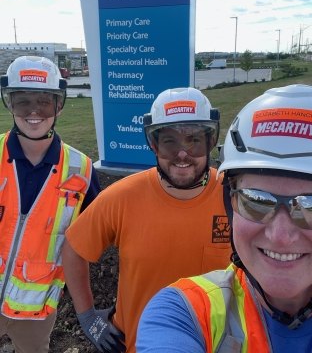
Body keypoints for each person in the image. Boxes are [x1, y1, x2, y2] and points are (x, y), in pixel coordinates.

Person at [136, 83, 312, 352]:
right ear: (230, 204)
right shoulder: (183, 313)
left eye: (309, 206)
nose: (281, 236)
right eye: (256, 200)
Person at [61, 86, 232, 353]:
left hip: (217, 344)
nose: (183, 154)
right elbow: (73, 250)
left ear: (211, 141)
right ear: (153, 144)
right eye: (170, 141)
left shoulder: (235, 198)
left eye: (194, 140)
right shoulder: (122, 197)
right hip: (138, 345)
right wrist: (88, 318)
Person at [0, 56, 101, 353]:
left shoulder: (80, 169)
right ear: (10, 104)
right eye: (23, 102)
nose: (33, 112)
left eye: (44, 102)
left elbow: (91, 235)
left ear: (59, 106)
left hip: (37, 311)